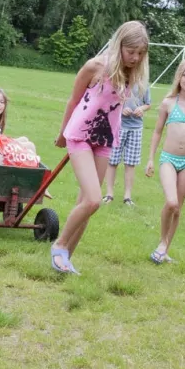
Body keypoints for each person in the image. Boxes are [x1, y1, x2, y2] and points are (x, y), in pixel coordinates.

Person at [49, 21, 150, 275]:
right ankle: (59, 245)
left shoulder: (132, 73)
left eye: (140, 53)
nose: (135, 58)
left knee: (85, 202)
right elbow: (73, 99)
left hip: (105, 140)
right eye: (131, 52)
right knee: (94, 200)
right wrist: (62, 133)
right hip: (80, 135)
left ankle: (66, 260)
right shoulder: (96, 66)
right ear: (119, 46)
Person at [144, 57, 185, 264]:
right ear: (179, 77)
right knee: (171, 202)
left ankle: (164, 251)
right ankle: (162, 242)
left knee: (178, 208)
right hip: (168, 160)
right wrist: (151, 160)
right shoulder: (168, 103)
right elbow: (156, 132)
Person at [101, 83, 151, 205]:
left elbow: (148, 104)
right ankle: (109, 194)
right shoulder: (118, 82)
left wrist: (142, 109)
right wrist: (122, 109)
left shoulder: (143, 84)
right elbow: (108, 102)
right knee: (112, 161)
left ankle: (127, 197)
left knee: (130, 163)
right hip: (118, 127)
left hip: (136, 128)